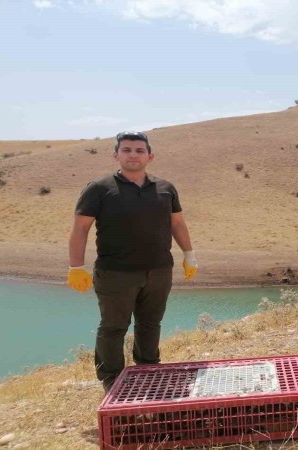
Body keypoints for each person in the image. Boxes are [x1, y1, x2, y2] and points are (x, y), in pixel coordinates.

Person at [67, 131, 199, 391]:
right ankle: (111, 380)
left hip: (159, 270)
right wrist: (76, 267)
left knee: (150, 323)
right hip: (115, 273)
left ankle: (149, 368)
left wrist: (189, 254)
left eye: (139, 150)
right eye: (126, 150)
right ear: (116, 155)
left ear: (150, 156)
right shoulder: (99, 189)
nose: (133, 155)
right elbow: (80, 228)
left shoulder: (165, 188)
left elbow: (177, 223)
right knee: (113, 327)